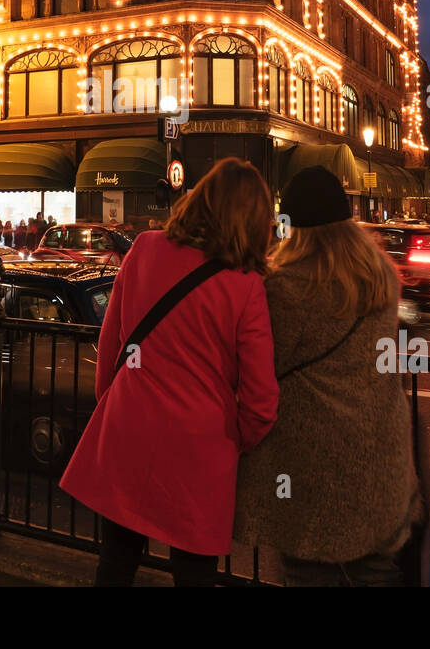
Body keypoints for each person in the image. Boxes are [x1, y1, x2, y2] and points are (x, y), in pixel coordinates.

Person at [61, 158, 279, 586]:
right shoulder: (246, 283)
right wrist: (233, 438)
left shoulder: (144, 248)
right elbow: (260, 399)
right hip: (199, 444)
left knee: (116, 560)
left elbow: (112, 341)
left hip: (130, 422)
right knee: (193, 572)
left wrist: (112, 401)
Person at [234, 166, 421, 586]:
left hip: (312, 481)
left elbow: (258, 373)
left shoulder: (285, 290)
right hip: (381, 463)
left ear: (294, 227)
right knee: (375, 575)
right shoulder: (381, 277)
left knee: (308, 574)